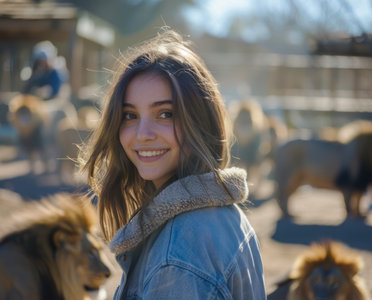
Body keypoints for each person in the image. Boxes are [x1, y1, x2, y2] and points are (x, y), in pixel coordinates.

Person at [81, 29, 266, 299]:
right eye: (130, 115)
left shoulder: (179, 255)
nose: (142, 133)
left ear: (200, 122)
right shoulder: (221, 213)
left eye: (165, 114)